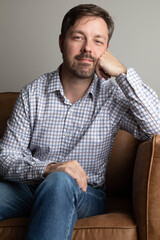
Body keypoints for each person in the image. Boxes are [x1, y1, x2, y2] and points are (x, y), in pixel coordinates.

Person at [0, 3, 160, 240]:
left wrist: (122, 74)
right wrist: (48, 168)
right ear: (61, 42)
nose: (87, 48)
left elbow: (156, 127)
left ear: (106, 50)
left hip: (87, 194)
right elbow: (5, 158)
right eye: (78, 37)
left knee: (60, 183)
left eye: (98, 41)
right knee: (52, 180)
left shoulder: (113, 97)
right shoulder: (32, 94)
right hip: (29, 187)